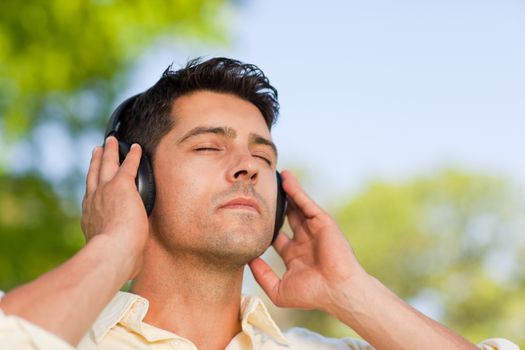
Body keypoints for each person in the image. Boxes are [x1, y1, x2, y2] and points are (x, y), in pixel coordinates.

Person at [0, 57, 518, 350]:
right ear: (136, 182)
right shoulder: (61, 333)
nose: (248, 166)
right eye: (209, 146)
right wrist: (114, 247)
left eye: (263, 156)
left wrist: (350, 292)